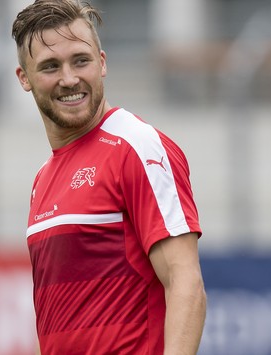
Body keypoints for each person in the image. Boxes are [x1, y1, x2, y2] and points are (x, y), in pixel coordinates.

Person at [12, 1, 206, 353]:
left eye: (80, 60)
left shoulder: (136, 146)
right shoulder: (42, 178)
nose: (69, 78)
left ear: (102, 62)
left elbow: (185, 282)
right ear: (24, 78)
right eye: (50, 66)